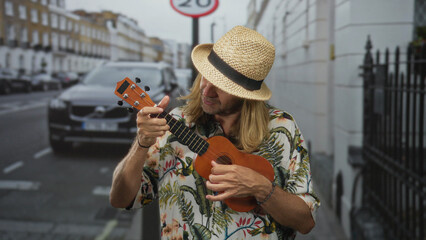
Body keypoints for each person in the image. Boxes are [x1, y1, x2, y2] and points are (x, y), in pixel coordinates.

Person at [110, 25, 320, 239]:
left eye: (222, 85)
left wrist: (262, 189)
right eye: (206, 76)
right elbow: (121, 199)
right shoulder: (176, 122)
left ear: (246, 93)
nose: (207, 90)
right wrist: (141, 143)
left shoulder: (282, 127)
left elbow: (304, 222)